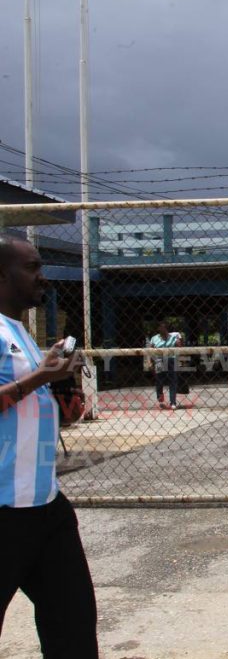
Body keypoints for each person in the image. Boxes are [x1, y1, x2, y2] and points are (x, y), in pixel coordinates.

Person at [0, 234, 96, 657]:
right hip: (3, 511)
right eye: (33, 267)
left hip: (44, 506)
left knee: (72, 622)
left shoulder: (19, 331)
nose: (43, 276)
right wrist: (40, 377)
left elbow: (26, 405)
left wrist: (63, 396)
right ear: (2, 274)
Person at [148, 321, 180, 410]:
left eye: (164, 328)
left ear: (167, 329)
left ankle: (173, 402)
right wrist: (150, 362)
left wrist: (178, 340)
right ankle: (160, 399)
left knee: (173, 381)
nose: (163, 329)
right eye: (161, 327)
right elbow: (151, 351)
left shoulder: (173, 337)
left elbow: (180, 348)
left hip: (171, 360)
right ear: (158, 329)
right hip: (159, 360)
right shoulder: (154, 338)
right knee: (159, 381)